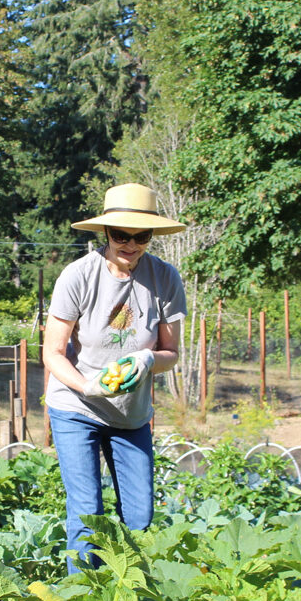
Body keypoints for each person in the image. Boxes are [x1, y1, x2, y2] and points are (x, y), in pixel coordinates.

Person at [43, 183, 186, 571]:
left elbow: (171, 353)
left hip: (130, 413)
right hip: (76, 405)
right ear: (105, 232)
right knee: (88, 511)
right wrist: (87, 385)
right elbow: (52, 353)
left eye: (141, 236)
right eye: (121, 235)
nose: (131, 244)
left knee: (139, 517)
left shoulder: (165, 279)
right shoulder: (78, 276)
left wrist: (146, 360)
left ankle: (128, 595)